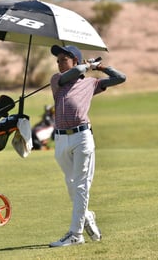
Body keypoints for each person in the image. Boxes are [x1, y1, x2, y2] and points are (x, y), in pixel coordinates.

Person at [48, 45, 126, 247]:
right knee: (72, 185)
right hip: (61, 139)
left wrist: (99, 67)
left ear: (75, 60)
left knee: (81, 186)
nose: (59, 63)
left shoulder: (91, 83)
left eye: (63, 59)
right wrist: (85, 66)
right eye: (58, 60)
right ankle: (88, 217)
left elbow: (120, 78)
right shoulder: (57, 80)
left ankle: (76, 234)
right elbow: (73, 73)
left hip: (81, 137)